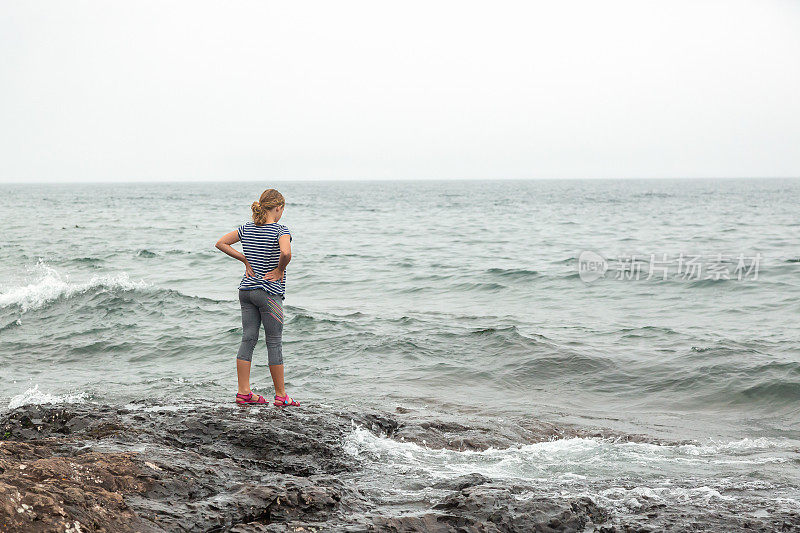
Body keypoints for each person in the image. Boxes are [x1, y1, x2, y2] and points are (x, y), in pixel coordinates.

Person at [215, 188, 299, 407]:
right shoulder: (281, 229)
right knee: (274, 342)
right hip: (269, 293)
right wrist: (280, 270)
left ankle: (244, 392)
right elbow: (286, 253)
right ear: (279, 208)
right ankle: (281, 396)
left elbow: (221, 243)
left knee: (248, 339)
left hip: (246, 292)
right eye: (282, 209)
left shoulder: (247, 228)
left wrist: (245, 260)